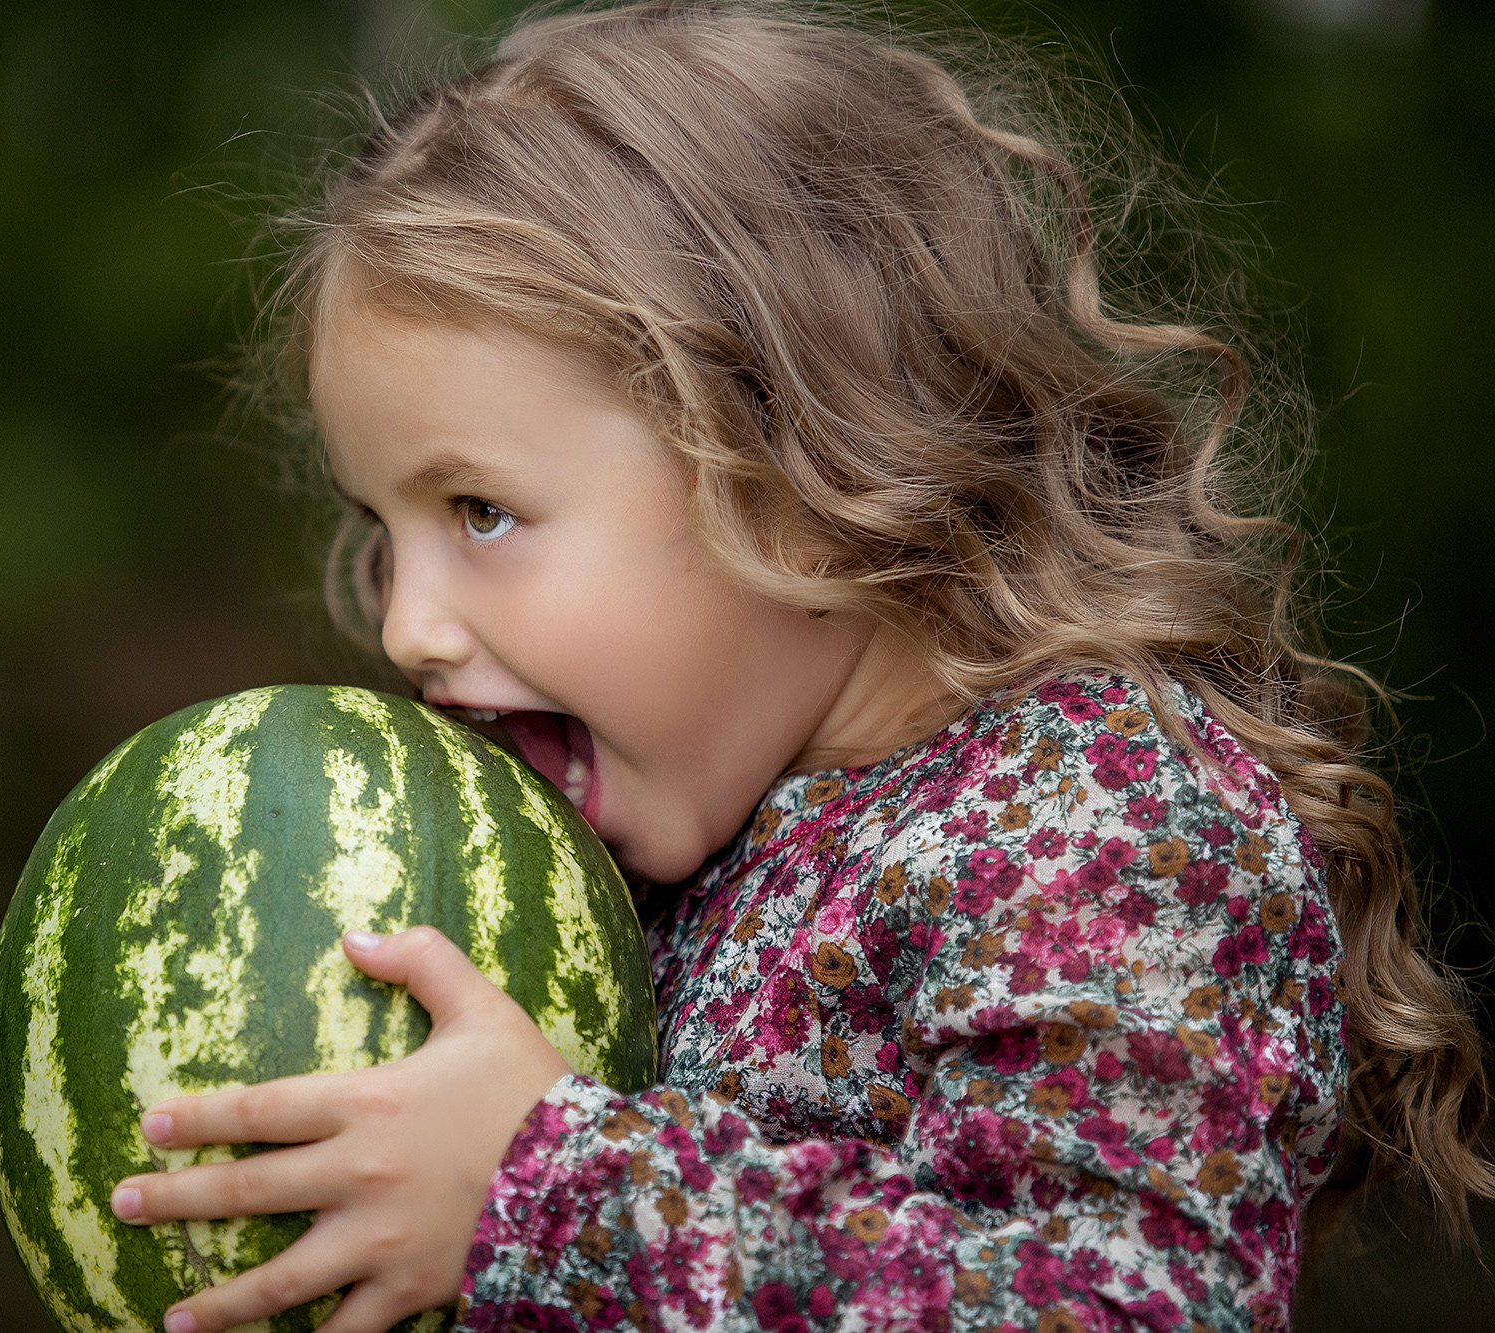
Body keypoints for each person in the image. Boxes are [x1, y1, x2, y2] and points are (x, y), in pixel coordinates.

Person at [105, 3, 1493, 1330]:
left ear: (795, 471)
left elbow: (1113, 1304)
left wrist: (550, 1190)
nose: (406, 624)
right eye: (382, 529)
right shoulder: (634, 859)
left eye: (481, 511)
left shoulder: (1103, 822)